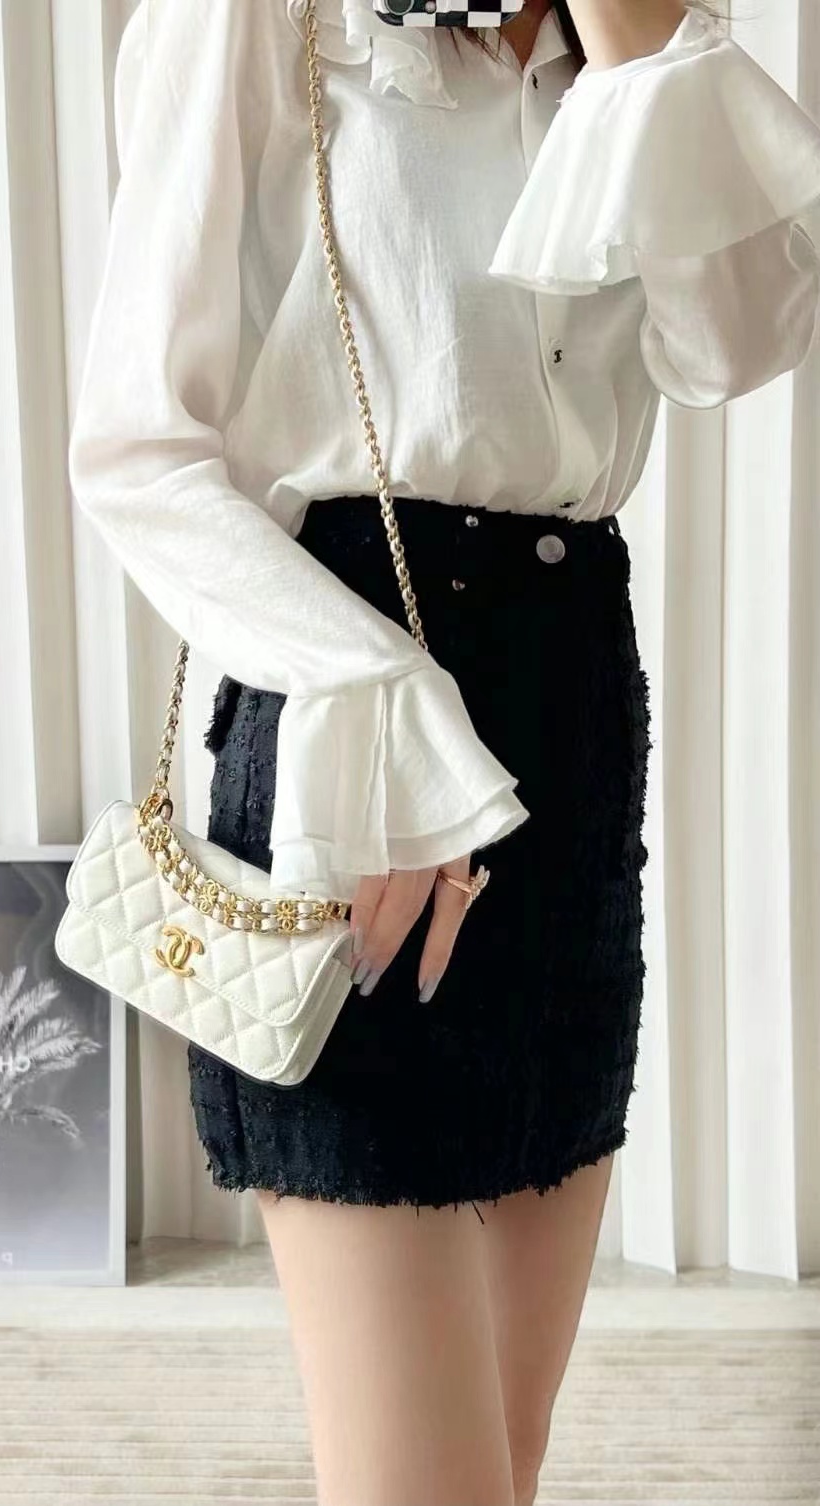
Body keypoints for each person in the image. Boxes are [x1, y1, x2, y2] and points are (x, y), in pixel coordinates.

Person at [68, 1, 820, 1501]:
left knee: (503, 1459)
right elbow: (140, 448)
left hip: (570, 725)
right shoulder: (264, 20)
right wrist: (388, 703)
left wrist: (640, 39)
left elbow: (736, 337)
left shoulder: (622, 38)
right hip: (355, 732)